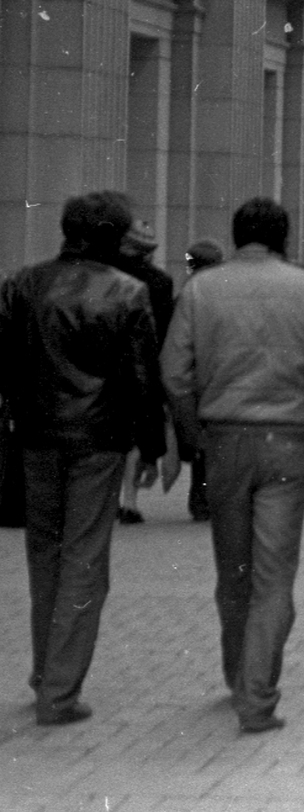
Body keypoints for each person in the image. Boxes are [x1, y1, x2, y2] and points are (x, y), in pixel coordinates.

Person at [160, 195, 304, 734]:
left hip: (223, 439)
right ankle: (257, 695)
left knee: (234, 571)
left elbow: (173, 372)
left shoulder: (201, 289)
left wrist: (191, 431)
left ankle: (237, 676)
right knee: (274, 576)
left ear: (236, 236)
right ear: (284, 237)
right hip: (288, 442)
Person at [1, 190, 167, 726]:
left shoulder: (23, 284)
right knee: (84, 560)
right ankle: (60, 689)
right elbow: (142, 379)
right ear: (111, 237)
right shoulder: (128, 292)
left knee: (43, 554)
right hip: (98, 440)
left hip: (36, 437)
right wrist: (153, 446)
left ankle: (45, 672)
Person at [111, 221, 177, 526]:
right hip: (142, 367)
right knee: (137, 438)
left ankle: (111, 500)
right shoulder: (160, 282)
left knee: (112, 436)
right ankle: (131, 501)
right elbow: (161, 332)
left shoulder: (105, 274)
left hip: (107, 367)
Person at [177, 238, 226, 521]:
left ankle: (201, 498)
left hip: (195, 381)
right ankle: (210, 497)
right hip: (220, 379)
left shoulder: (186, 295)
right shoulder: (227, 295)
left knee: (201, 446)